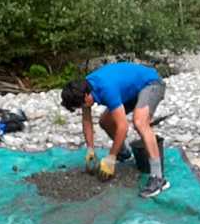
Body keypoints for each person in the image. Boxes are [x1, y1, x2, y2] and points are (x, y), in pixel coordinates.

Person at [61, 62, 169, 198]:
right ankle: (123, 152)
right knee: (105, 121)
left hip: (151, 84)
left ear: (87, 95)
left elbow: (123, 126)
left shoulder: (106, 88)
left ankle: (158, 177)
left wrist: (111, 157)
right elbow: (87, 121)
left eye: (83, 104)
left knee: (140, 122)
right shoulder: (83, 89)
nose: (83, 107)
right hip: (131, 91)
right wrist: (90, 150)